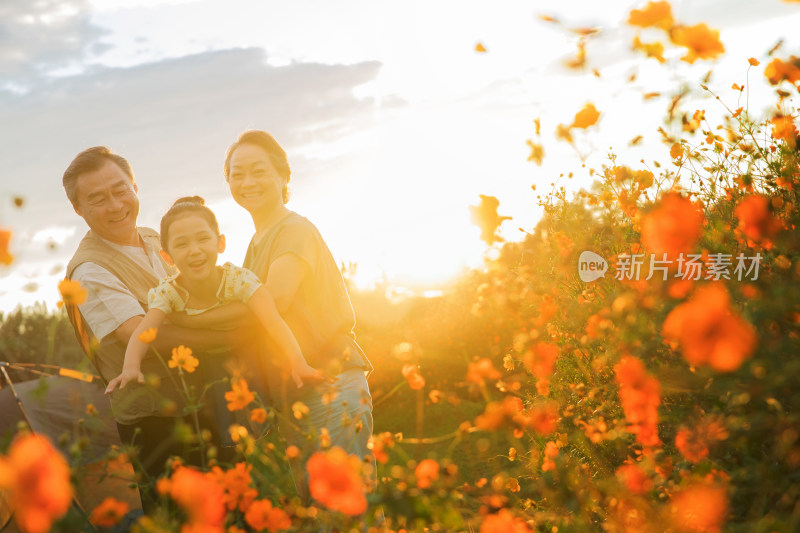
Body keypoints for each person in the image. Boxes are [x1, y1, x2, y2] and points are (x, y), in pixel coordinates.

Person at [62, 147, 248, 512]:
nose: (115, 206)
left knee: (233, 511)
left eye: (120, 190)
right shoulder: (88, 270)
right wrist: (232, 335)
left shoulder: (153, 237)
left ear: (134, 185)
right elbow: (142, 334)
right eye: (97, 199)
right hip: (157, 425)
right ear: (78, 209)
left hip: (205, 401)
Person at [225, 130, 375, 505]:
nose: (247, 182)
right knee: (322, 511)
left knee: (348, 509)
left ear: (282, 175)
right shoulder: (256, 243)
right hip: (297, 390)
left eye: (258, 170)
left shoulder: (294, 230)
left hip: (330, 380)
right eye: (236, 173)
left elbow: (275, 299)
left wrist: (193, 323)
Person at [104, 196, 328, 395]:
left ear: (220, 243)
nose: (195, 250)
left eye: (203, 239)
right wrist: (130, 368)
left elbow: (273, 321)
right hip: (205, 364)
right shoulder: (169, 292)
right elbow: (145, 332)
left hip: (251, 354)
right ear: (167, 257)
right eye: (181, 244)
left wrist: (298, 362)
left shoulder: (239, 280)